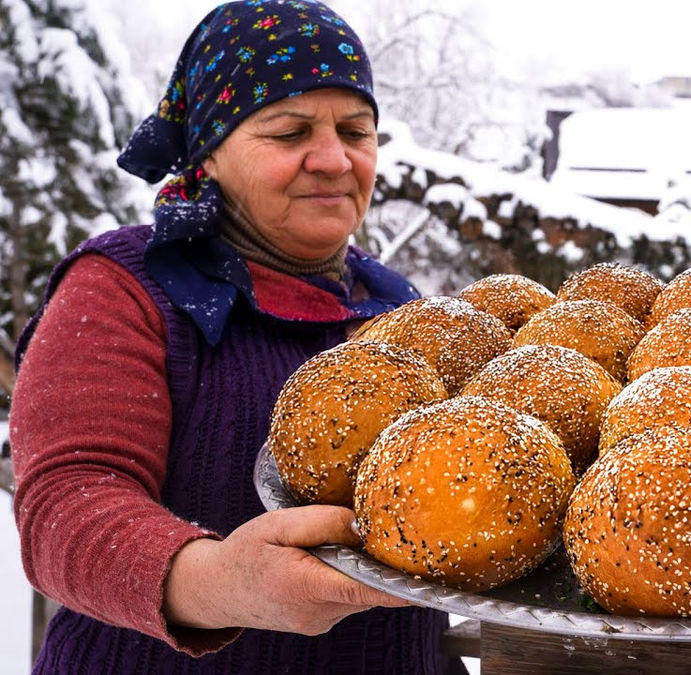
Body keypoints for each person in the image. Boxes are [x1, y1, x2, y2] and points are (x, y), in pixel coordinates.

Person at [9, 2, 466, 672]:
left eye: (357, 130)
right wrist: (222, 580)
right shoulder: (126, 286)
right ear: (209, 152)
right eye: (290, 132)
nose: (335, 159)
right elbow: (64, 505)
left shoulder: (401, 310)